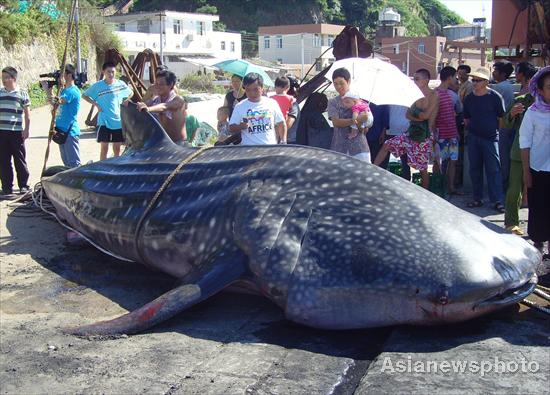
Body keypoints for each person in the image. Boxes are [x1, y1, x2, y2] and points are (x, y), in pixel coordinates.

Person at [374, 69, 439, 189]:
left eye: (417, 79)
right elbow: (408, 115)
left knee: (422, 168)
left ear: (426, 80)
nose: (414, 81)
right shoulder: (414, 94)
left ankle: (426, 195)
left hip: (424, 135)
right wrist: (419, 116)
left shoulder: (433, 95)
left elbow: (426, 116)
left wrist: (417, 115)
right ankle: (372, 171)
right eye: (414, 79)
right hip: (411, 132)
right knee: (387, 145)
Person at [463, 67, 506, 212]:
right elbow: (467, 118)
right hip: (474, 137)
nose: (474, 82)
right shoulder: (469, 98)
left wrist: (495, 134)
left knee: (494, 170)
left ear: (486, 81)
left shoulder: (495, 97)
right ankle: (477, 198)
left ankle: (497, 200)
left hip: (491, 139)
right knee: (474, 170)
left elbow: (501, 118)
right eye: (473, 80)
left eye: (478, 80)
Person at [519, 66, 550, 256]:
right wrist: (526, 173)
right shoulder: (533, 113)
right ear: (540, 90)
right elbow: (525, 143)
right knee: (539, 213)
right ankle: (537, 256)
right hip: (538, 171)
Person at [502, 64, 536, 235]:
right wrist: (512, 114)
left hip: (542, 154)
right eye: (531, 81)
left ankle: (538, 229)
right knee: (514, 190)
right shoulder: (521, 101)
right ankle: (511, 223)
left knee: (539, 192)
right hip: (519, 152)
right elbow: (505, 123)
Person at [83, 62, 133, 160]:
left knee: (117, 149)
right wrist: (96, 104)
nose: (111, 74)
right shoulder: (98, 86)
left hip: (117, 121)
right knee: (104, 148)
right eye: (108, 72)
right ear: (104, 72)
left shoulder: (120, 84)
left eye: (113, 72)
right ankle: (103, 168)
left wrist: (126, 100)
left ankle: (116, 168)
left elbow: (131, 93)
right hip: (104, 120)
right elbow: (84, 95)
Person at [328, 67, 373, 162]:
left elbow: (368, 124)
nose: (338, 87)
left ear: (348, 81)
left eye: (341, 83)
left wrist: (364, 120)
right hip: (339, 148)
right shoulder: (333, 102)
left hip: (359, 148)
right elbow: (336, 122)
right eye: (335, 84)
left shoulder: (360, 100)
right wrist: (355, 120)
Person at [229, 72, 286, 145]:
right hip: (249, 151)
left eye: (256, 89)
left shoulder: (272, 103)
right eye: (248, 90)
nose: (252, 93)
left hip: (269, 149)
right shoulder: (240, 106)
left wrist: (283, 141)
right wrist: (241, 126)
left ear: (262, 88)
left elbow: (281, 123)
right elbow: (231, 127)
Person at [0, 66, 30, 199]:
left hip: (17, 132)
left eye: (6, 77)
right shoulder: (0, 93)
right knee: (4, 160)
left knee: (20, 159)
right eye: (2, 77)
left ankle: (23, 185)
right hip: (2, 132)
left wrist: (26, 130)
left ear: (13, 78)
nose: (3, 80)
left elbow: (27, 115)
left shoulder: (22, 93)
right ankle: (7, 187)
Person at [136, 69, 187, 144]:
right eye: (156, 84)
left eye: (161, 84)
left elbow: (164, 106)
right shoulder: (156, 99)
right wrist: (134, 105)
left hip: (179, 144)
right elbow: (144, 104)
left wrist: (148, 109)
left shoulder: (178, 100)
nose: (157, 86)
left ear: (171, 85)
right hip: (164, 144)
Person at [491, 61, 516, 192]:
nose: (493, 73)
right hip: (505, 126)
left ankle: (502, 186)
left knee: (502, 158)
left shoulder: (500, 87)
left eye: (496, 71)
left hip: (502, 127)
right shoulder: (507, 86)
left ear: (503, 74)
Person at [435, 66, 460, 194]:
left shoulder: (451, 94)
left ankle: (450, 187)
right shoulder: (435, 94)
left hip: (452, 134)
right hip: (441, 135)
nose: (456, 80)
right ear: (449, 77)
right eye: (455, 77)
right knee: (439, 163)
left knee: (453, 162)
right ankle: (438, 186)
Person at [52, 64, 81, 168]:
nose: (60, 77)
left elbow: (60, 101)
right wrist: (48, 90)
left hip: (70, 132)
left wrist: (50, 92)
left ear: (68, 75)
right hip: (61, 131)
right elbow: (54, 105)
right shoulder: (64, 90)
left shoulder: (73, 91)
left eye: (62, 74)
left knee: (74, 165)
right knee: (66, 164)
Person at [378, 105, 411, 180]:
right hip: (389, 131)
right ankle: (379, 180)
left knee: (405, 163)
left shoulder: (410, 96)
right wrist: (383, 131)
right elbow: (385, 114)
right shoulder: (390, 96)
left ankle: (407, 183)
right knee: (384, 161)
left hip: (404, 132)